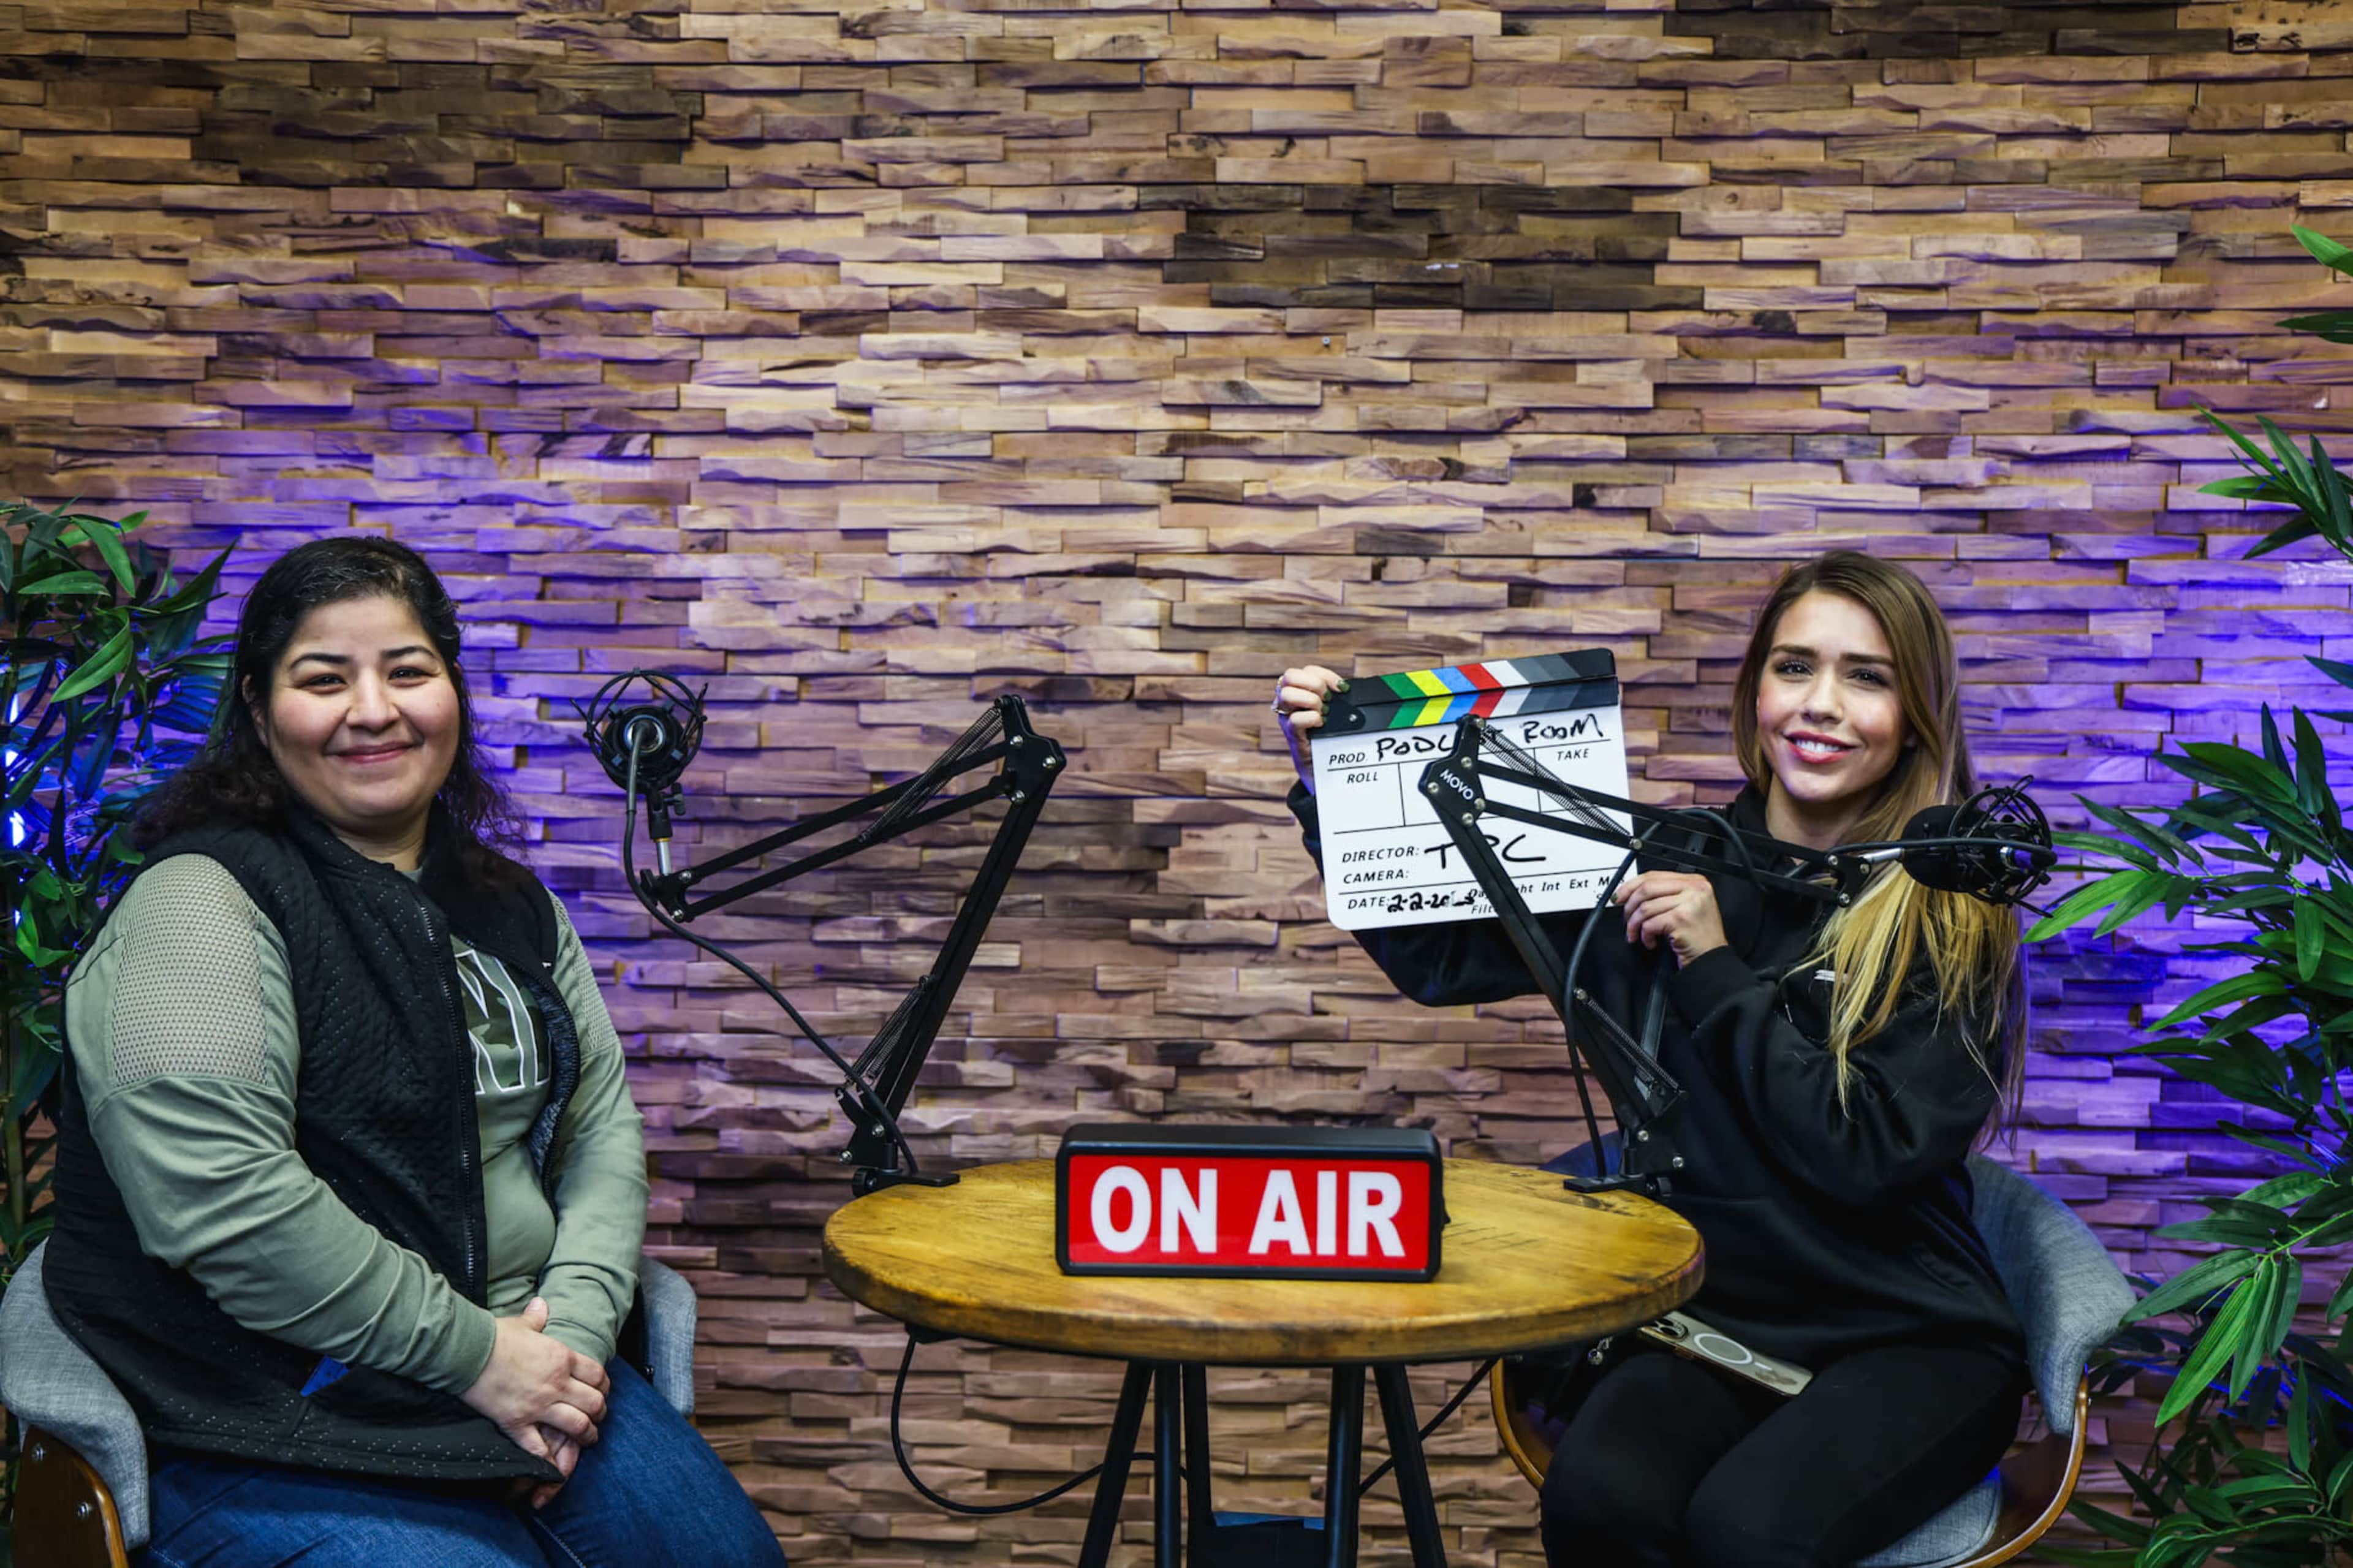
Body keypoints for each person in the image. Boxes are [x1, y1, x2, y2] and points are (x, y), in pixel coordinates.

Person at [1273, 550, 2029, 1568]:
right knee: (1599, 1502)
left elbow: (1861, 1158)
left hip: (1907, 1336)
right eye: (1795, 667)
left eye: (1868, 676)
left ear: (1917, 714)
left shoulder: (1947, 912)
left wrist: (1714, 965)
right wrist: (1338, 780)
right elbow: (1444, 957)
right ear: (1754, 686)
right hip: (1714, 1319)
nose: (1821, 705)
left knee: (1748, 1535)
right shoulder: (1658, 857)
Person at [45, 537, 786, 1568]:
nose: (374, 709)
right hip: (268, 1406)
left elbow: (600, 1135)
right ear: (259, 713)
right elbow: (226, 1202)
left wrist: (563, 1353)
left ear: (452, 694)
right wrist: (479, 1360)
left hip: (522, 1359)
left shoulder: (510, 904)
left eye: (407, 670)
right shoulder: (202, 900)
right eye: (323, 678)